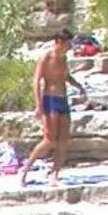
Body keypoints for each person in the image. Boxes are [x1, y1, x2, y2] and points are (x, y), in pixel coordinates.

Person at [24, 29, 76, 186]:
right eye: (67, 43)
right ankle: (25, 170)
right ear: (59, 41)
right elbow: (36, 81)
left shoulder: (64, 58)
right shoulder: (46, 56)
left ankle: (54, 174)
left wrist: (78, 85)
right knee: (49, 140)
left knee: (63, 141)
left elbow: (65, 76)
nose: (69, 46)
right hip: (50, 99)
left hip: (63, 99)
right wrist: (38, 105)